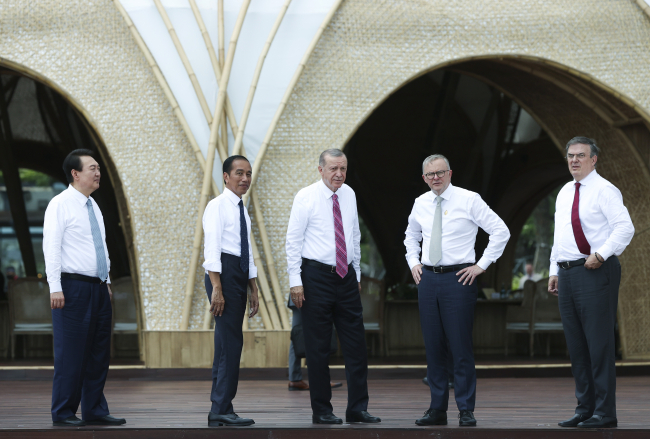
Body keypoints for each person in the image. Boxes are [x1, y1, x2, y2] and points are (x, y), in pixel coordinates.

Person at [405, 154, 510, 427]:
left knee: (460, 347)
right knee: (433, 347)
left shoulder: (469, 199)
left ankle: (465, 409)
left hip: (459, 279)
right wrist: (414, 262)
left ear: (450, 173)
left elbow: (500, 231)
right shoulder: (420, 202)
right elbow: (411, 235)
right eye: (430, 174)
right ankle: (437, 409)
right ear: (424, 178)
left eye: (440, 172)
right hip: (428, 279)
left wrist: (481, 265)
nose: (436, 178)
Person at [286, 149, 380, 425]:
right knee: (317, 348)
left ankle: (357, 408)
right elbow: (293, 241)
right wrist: (295, 282)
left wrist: (357, 273)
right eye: (333, 169)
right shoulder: (305, 196)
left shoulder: (349, 194)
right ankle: (322, 410)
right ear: (321, 170)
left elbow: (354, 235)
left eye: (343, 169)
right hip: (315, 277)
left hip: (346, 277)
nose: (339, 174)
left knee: (356, 345)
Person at [549, 137, 634, 429]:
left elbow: (625, 228)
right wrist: (553, 270)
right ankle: (584, 409)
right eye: (570, 156)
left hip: (596, 270)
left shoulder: (605, 190)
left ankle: (605, 412)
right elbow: (559, 234)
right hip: (567, 272)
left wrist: (601, 254)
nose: (574, 160)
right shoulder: (564, 192)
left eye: (581, 155)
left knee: (599, 344)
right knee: (577, 346)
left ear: (593, 159)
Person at [43, 149, 125, 427]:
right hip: (72, 287)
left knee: (99, 353)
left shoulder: (93, 205)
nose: (98, 172)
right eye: (92, 168)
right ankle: (63, 412)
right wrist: (55, 287)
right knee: (71, 353)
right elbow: (51, 248)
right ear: (75, 174)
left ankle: (95, 410)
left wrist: (107, 281)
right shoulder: (60, 204)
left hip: (98, 287)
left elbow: (100, 247)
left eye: (98, 168)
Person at [203, 155, 260, 427]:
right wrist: (217, 287)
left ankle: (220, 405)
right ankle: (222, 407)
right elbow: (212, 248)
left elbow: (245, 251)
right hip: (222, 275)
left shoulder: (241, 208)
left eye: (248, 173)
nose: (245, 178)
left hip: (238, 274)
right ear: (226, 177)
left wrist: (253, 287)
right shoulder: (217, 205)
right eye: (239, 173)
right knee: (231, 343)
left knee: (226, 343)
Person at [286, 298, 342, 391]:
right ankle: (320, 379)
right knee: (316, 334)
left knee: (297, 337)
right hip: (308, 297)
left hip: (297, 297)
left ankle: (295, 379)